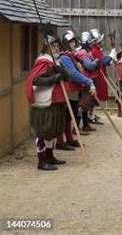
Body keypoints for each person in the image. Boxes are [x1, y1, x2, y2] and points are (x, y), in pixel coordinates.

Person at [26, 36, 67, 170]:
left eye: (57, 45)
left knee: (52, 131)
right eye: (53, 45)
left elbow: (68, 78)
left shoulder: (56, 62)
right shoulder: (43, 62)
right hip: (45, 103)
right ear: (46, 47)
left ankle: (50, 157)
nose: (56, 47)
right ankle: (42, 160)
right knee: (43, 131)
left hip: (56, 101)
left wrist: (63, 73)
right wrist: (55, 78)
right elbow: (36, 80)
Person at [56, 31, 96, 150]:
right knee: (65, 116)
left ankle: (69, 139)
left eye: (74, 41)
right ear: (66, 44)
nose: (73, 44)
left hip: (73, 90)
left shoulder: (70, 56)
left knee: (70, 116)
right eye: (71, 42)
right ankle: (60, 142)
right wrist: (88, 81)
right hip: (67, 90)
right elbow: (73, 74)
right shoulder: (64, 58)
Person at [89, 29, 116, 124]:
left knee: (96, 97)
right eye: (101, 41)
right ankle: (91, 116)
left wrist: (111, 55)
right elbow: (103, 62)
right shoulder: (95, 51)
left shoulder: (98, 50)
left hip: (99, 75)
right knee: (94, 97)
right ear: (97, 42)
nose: (103, 42)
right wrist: (112, 53)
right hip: (96, 76)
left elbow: (105, 61)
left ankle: (92, 115)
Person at [75, 31, 100, 133]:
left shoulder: (85, 53)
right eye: (89, 43)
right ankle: (76, 127)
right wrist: (96, 61)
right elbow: (89, 66)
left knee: (86, 105)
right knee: (82, 105)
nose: (91, 45)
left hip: (86, 82)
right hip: (83, 83)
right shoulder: (82, 53)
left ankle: (85, 125)